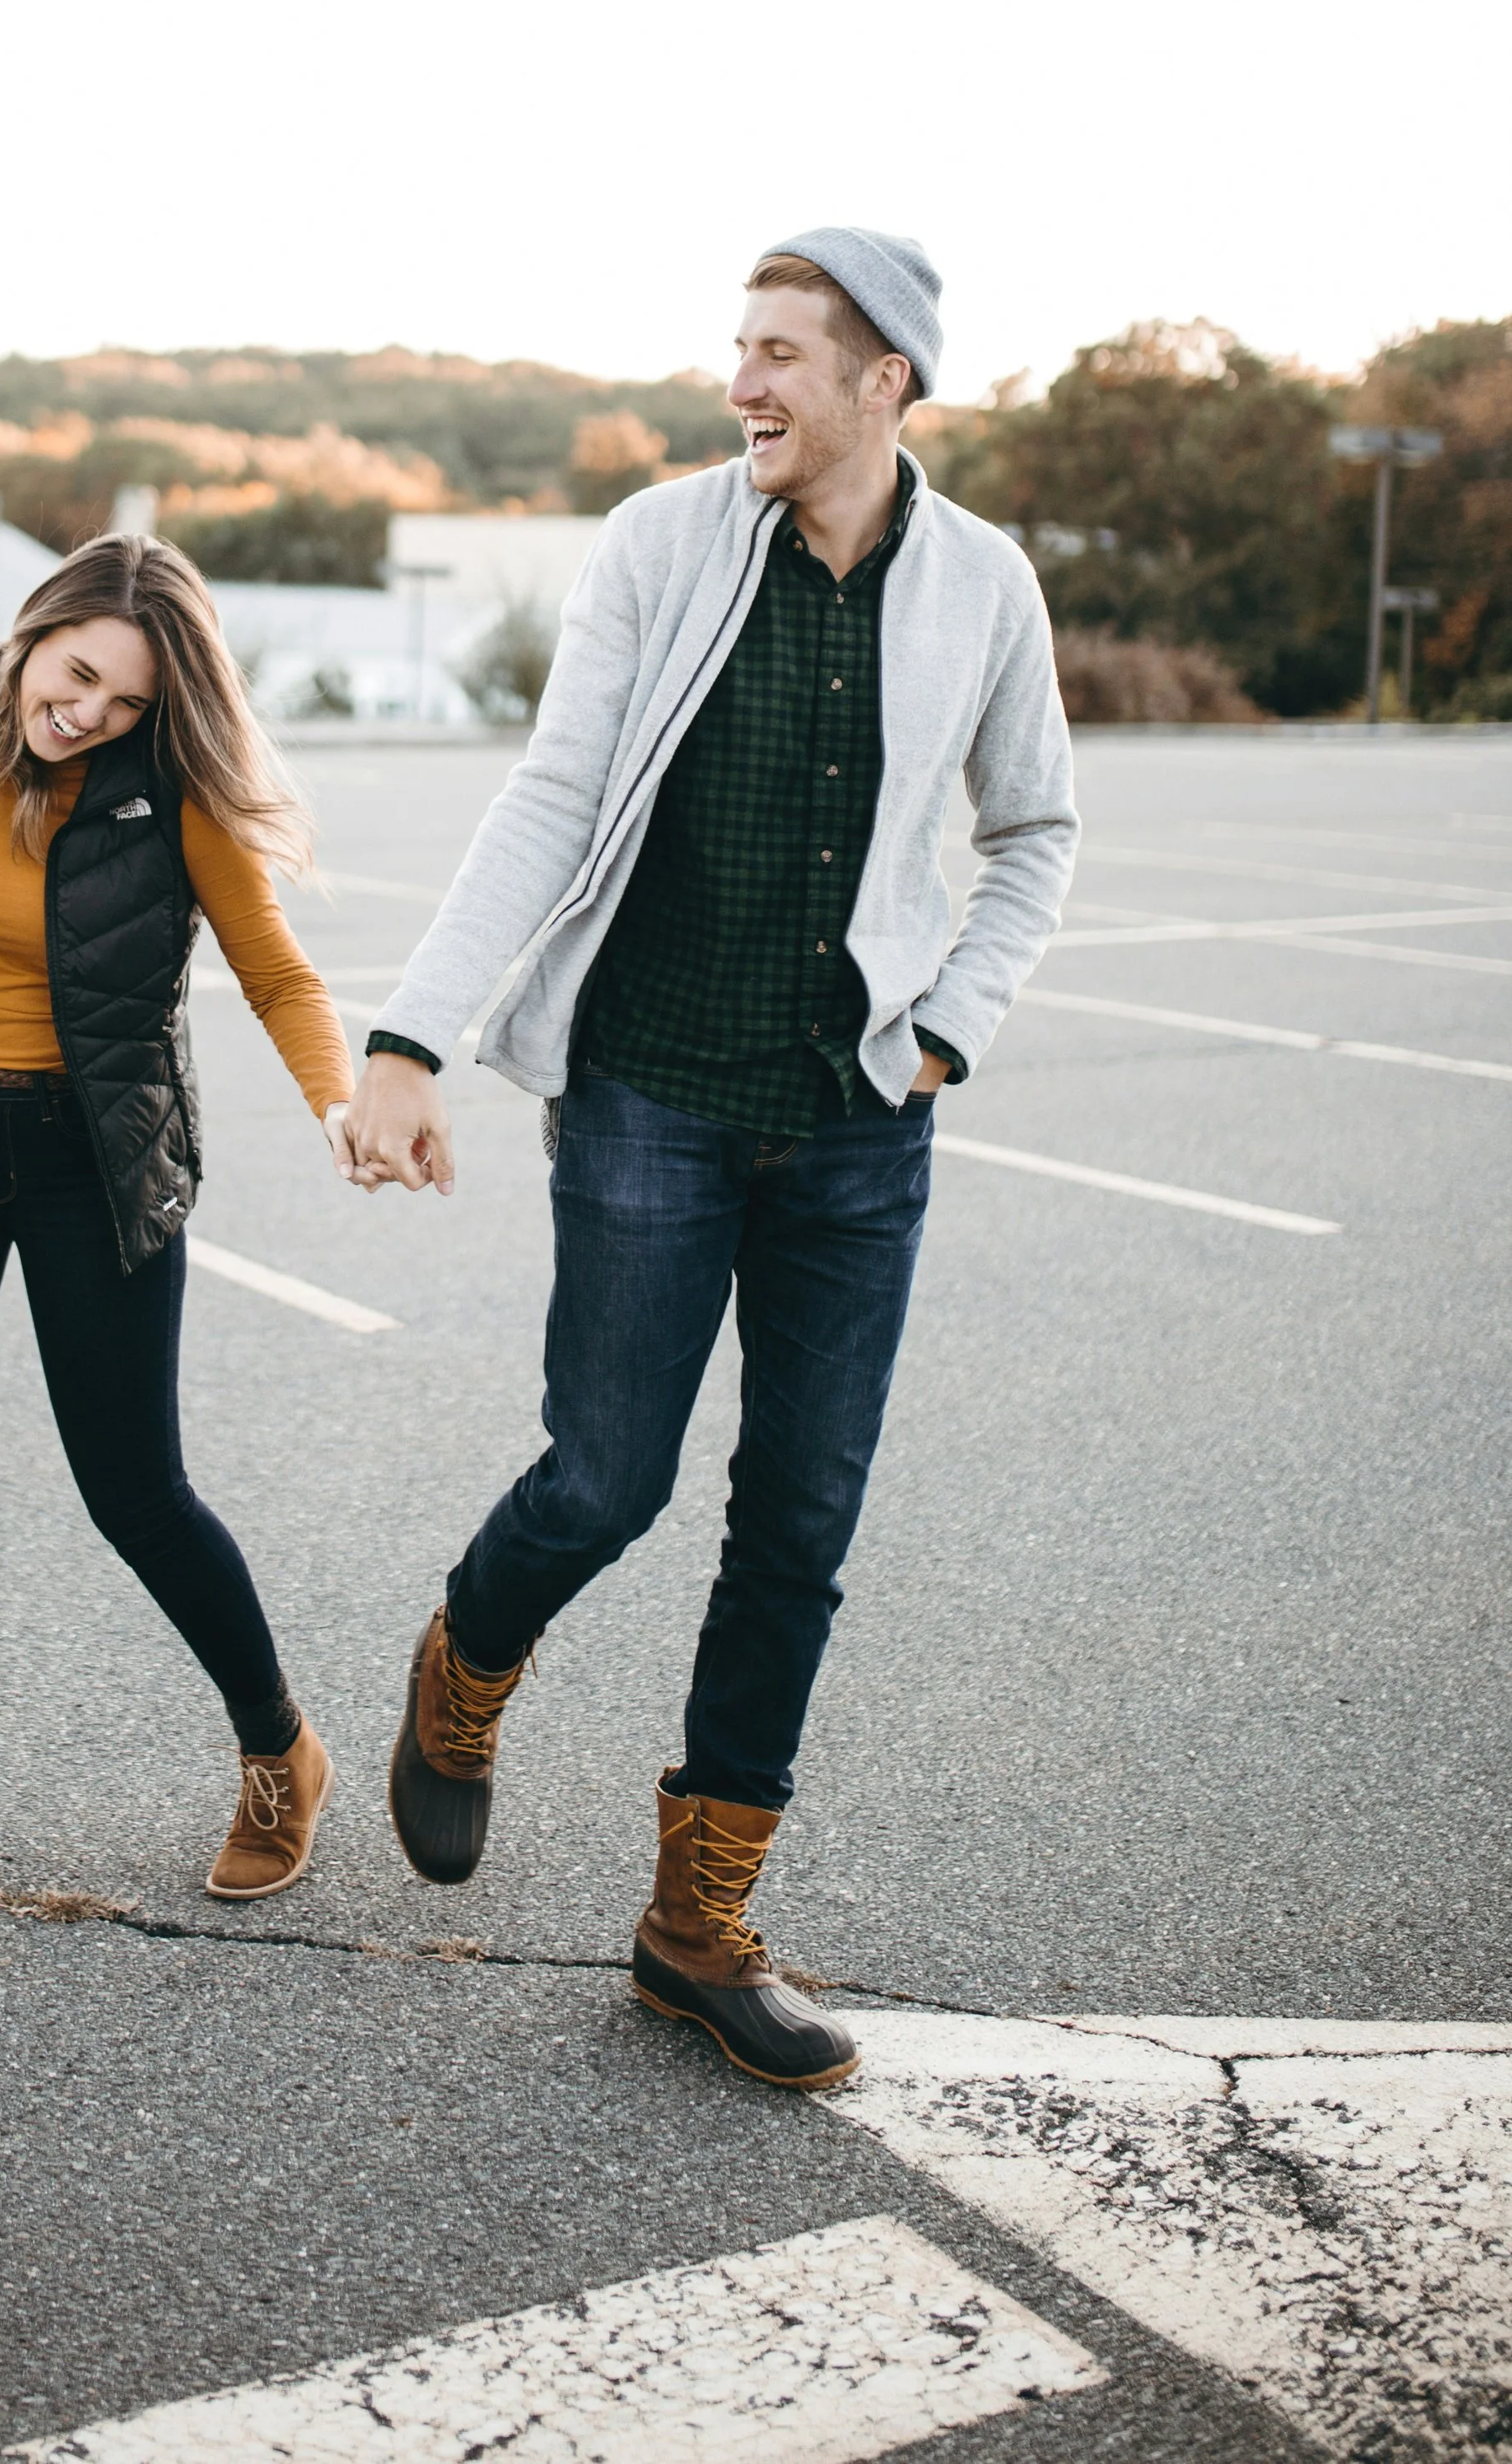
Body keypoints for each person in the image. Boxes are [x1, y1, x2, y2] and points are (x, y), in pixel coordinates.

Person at [338, 227, 1079, 2089]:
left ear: (882, 383)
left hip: (852, 1123)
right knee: (604, 1483)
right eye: (735, 346)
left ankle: (695, 1928)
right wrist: (411, 1037)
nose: (739, 383)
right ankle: (464, 1662)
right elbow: (552, 797)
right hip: (650, 1092)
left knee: (798, 1529)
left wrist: (941, 1027)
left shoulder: (980, 584)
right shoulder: (661, 546)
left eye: (778, 355)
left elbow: (1036, 831)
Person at [0, 531, 353, 1921]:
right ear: (36, 631)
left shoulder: (168, 787)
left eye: (125, 698)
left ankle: (282, 1752)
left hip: (88, 1155)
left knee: (134, 1492)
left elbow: (277, 970)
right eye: (80, 671)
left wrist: (340, 1100)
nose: (89, 709)